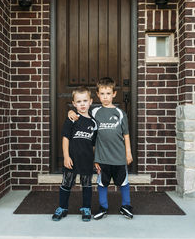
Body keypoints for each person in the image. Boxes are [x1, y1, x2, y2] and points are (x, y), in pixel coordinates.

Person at [68, 77, 134, 220]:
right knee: (102, 184)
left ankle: (126, 206)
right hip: (102, 157)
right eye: (102, 94)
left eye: (108, 93)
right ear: (97, 95)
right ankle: (103, 207)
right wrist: (71, 113)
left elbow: (126, 134)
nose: (105, 97)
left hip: (119, 156)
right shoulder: (95, 112)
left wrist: (128, 153)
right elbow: (81, 113)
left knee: (123, 182)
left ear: (114, 94)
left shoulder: (121, 113)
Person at [52, 86, 98, 222]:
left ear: (90, 101)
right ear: (73, 103)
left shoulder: (94, 122)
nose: (82, 104)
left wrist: (96, 160)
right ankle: (62, 207)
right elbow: (65, 138)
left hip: (87, 159)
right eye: (79, 101)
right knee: (66, 183)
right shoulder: (72, 118)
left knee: (87, 184)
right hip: (72, 159)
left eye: (85, 101)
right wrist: (66, 156)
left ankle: (86, 208)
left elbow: (94, 144)